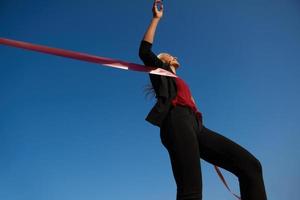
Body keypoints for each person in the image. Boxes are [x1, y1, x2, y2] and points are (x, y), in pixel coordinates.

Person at [138, 1, 268, 200]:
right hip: (177, 122)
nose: (174, 55)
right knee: (192, 191)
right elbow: (144, 52)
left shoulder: (180, 81)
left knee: (251, 166)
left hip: (197, 126)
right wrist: (156, 19)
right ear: (162, 61)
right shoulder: (160, 73)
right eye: (169, 55)